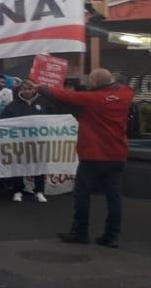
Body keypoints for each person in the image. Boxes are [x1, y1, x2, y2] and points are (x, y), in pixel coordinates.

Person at [42, 69, 134, 248]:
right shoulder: (126, 95)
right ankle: (111, 235)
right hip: (116, 154)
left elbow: (64, 95)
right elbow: (122, 87)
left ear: (94, 84)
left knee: (82, 194)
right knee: (114, 197)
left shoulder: (92, 99)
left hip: (93, 155)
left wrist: (41, 88)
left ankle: (80, 231)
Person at [0, 80, 56, 203]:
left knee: (39, 165)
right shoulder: (13, 105)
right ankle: (18, 191)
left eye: (30, 88)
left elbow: (56, 117)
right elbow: (0, 121)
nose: (27, 91)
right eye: (24, 88)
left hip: (39, 141)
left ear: (35, 89)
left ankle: (39, 191)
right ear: (20, 90)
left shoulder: (44, 102)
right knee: (18, 165)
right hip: (19, 142)